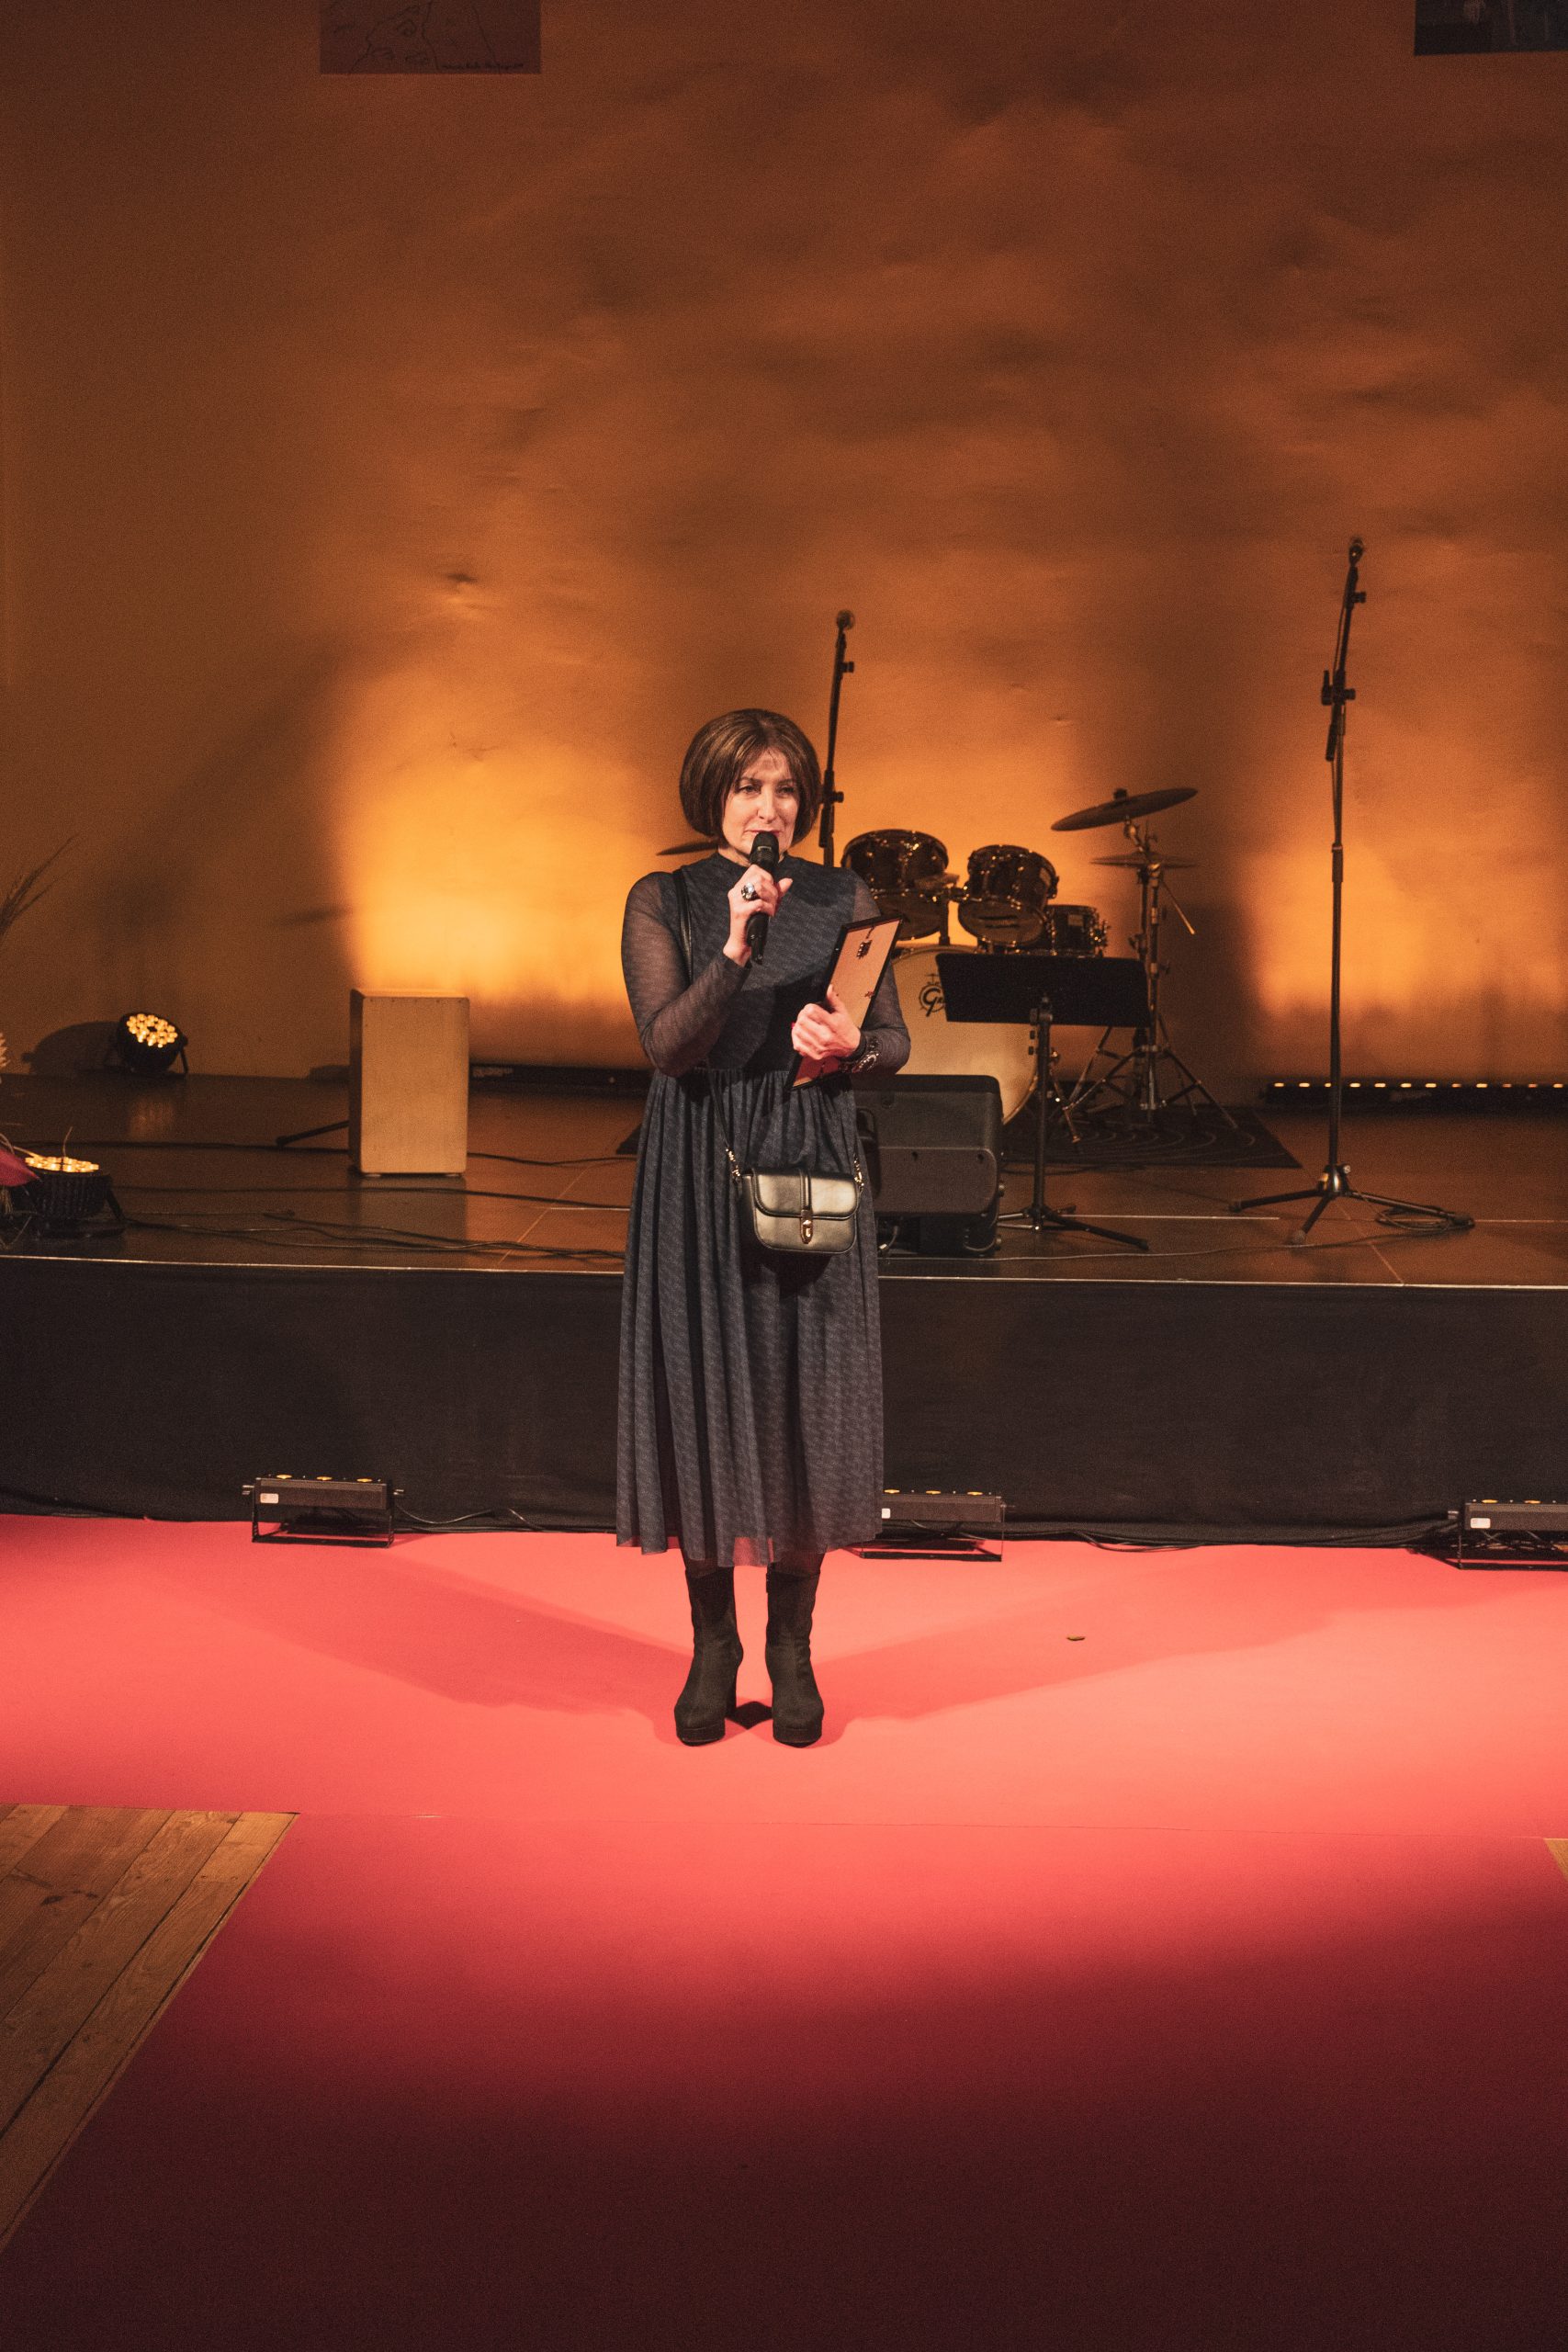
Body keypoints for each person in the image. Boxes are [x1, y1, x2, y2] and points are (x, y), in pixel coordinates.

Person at [618, 709, 910, 1747]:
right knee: (703, 1389)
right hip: (699, 1164)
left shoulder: (844, 895)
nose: (768, 808)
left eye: (785, 789)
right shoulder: (664, 899)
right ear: (714, 795)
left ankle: (792, 1647)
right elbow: (668, 1045)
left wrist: (848, 1047)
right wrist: (737, 947)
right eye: (748, 787)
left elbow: (893, 1041)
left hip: (808, 1156)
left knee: (804, 1396)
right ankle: (714, 1645)